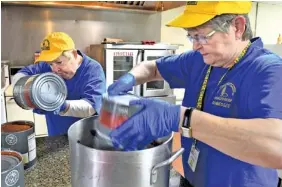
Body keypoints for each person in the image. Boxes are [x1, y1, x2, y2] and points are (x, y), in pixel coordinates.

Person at [107, 1, 282, 187]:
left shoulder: (269, 70)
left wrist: (180, 118)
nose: (195, 46)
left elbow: (277, 147)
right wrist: (130, 78)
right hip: (192, 179)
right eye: (191, 37)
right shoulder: (199, 60)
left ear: (237, 27)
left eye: (201, 36)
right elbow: (152, 68)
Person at [12, 32, 106, 136]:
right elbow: (21, 74)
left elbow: (91, 107)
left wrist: (60, 105)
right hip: (55, 135)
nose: (54, 69)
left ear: (74, 54)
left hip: (84, 137)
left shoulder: (92, 70)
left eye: (59, 62)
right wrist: (28, 93)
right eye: (50, 64)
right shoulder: (47, 66)